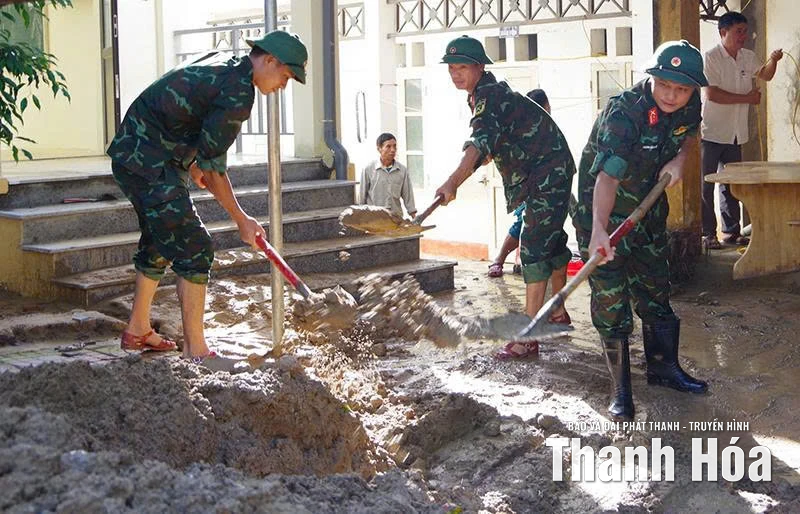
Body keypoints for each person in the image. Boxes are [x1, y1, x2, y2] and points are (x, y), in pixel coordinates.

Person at [106, 30, 308, 361]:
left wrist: (196, 164)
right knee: (196, 248)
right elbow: (214, 170)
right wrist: (242, 219)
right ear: (270, 61)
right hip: (149, 161)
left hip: (141, 154)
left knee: (161, 238)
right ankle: (197, 351)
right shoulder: (238, 92)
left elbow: (191, 120)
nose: (283, 87)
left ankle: (138, 328)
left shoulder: (228, 64)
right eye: (285, 77)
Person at [574, 40, 709, 420]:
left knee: (655, 288)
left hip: (647, 211)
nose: (672, 95)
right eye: (664, 84)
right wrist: (599, 231)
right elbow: (606, 178)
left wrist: (679, 159)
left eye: (682, 89)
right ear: (651, 77)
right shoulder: (624, 114)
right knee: (612, 299)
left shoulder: (690, 104)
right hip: (603, 213)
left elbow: (687, 135)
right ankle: (620, 390)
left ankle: (664, 369)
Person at [435, 36, 575, 359]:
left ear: (479, 67)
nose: (456, 74)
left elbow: (481, 139)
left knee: (534, 247)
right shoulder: (480, 95)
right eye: (451, 68)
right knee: (550, 242)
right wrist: (472, 165)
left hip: (547, 169)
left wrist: (453, 181)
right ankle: (557, 313)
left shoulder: (488, 96)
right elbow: (490, 143)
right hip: (546, 167)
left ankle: (527, 337)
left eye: (462, 67)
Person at [700, 11, 783, 249]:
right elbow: (712, 94)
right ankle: (708, 234)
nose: (743, 36)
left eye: (745, 31)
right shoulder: (711, 57)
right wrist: (746, 98)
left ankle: (731, 232)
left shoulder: (748, 56)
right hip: (712, 132)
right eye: (739, 31)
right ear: (723, 32)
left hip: (736, 133)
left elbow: (765, 75)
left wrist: (773, 60)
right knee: (707, 184)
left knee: (732, 185)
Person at [488, 89, 551, 278]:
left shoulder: (549, 129)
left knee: (546, 225)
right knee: (522, 223)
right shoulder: (522, 129)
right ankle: (501, 259)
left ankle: (529, 261)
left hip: (549, 185)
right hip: (526, 185)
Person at [359, 132, 417, 219]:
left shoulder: (402, 170)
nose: (393, 150)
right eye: (388, 146)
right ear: (379, 148)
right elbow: (362, 196)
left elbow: (408, 195)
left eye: (394, 146)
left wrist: (413, 216)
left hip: (395, 218)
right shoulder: (368, 169)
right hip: (374, 219)